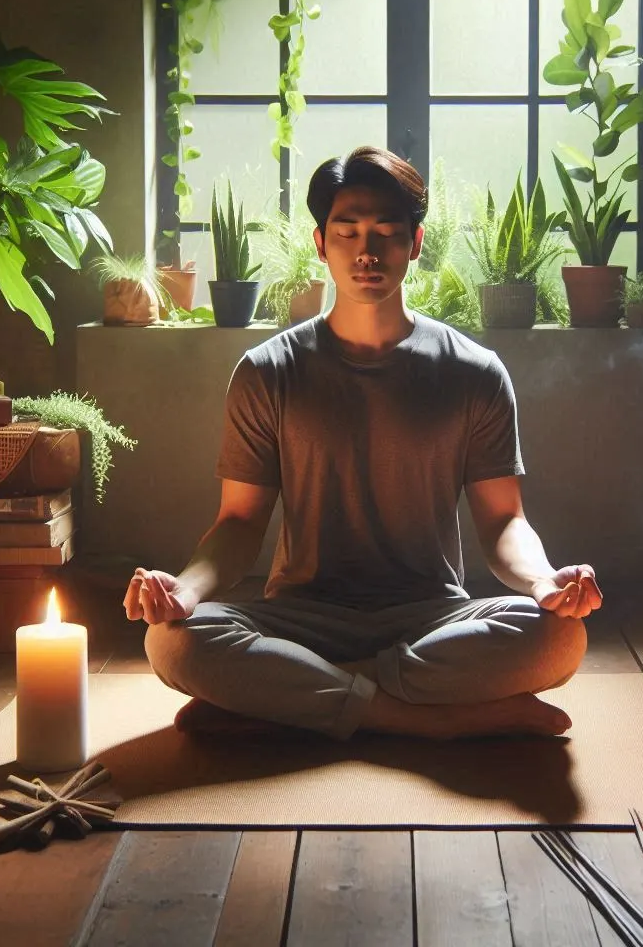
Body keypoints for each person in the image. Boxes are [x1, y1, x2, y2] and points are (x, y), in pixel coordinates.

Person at [124, 146, 602, 742]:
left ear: (416, 243)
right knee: (172, 640)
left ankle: (289, 698)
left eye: (387, 233)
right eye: (347, 233)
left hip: (433, 616)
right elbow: (239, 524)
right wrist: (185, 590)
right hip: (300, 616)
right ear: (321, 244)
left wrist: (544, 582)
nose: (367, 252)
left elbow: (504, 521)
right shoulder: (267, 371)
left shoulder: (475, 372)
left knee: (560, 636)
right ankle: (433, 721)